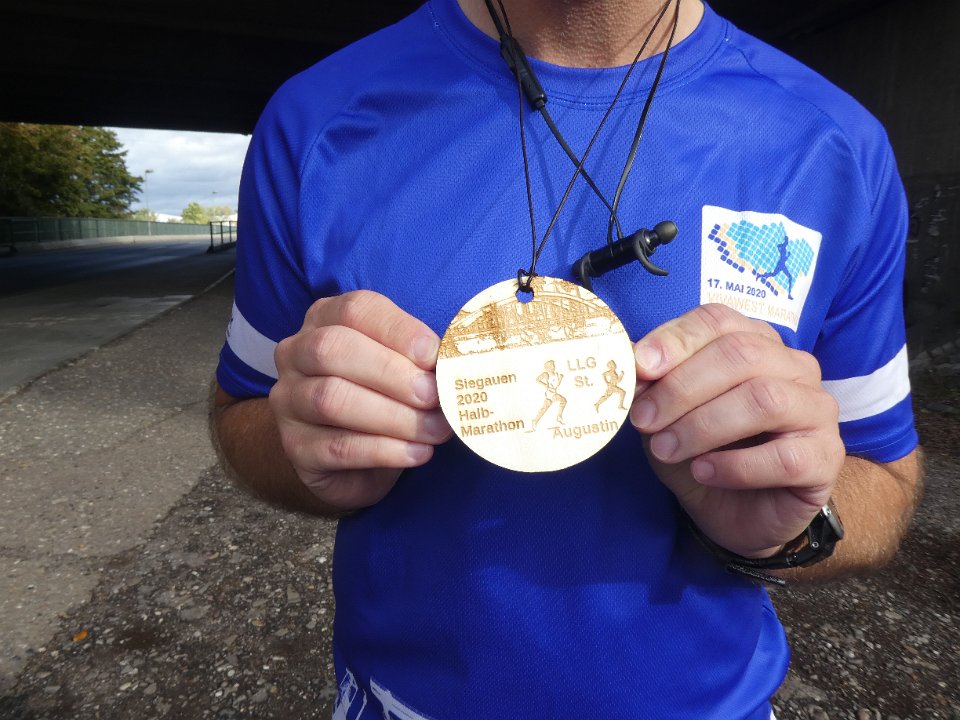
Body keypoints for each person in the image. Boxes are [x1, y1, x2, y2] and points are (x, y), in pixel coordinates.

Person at [210, 0, 923, 717]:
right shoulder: (314, 121)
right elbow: (243, 408)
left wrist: (792, 530)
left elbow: (885, 477)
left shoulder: (835, 145)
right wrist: (309, 449)